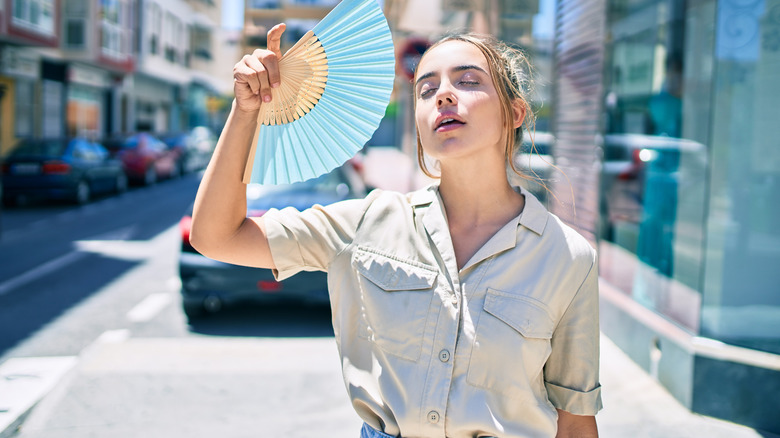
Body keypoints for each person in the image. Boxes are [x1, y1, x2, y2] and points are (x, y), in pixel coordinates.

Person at [191, 23, 602, 438]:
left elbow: (575, 421)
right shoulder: (367, 223)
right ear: (420, 124)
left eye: (468, 81)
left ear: (514, 113)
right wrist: (245, 112)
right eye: (426, 89)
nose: (442, 94)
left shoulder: (568, 257)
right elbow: (215, 236)